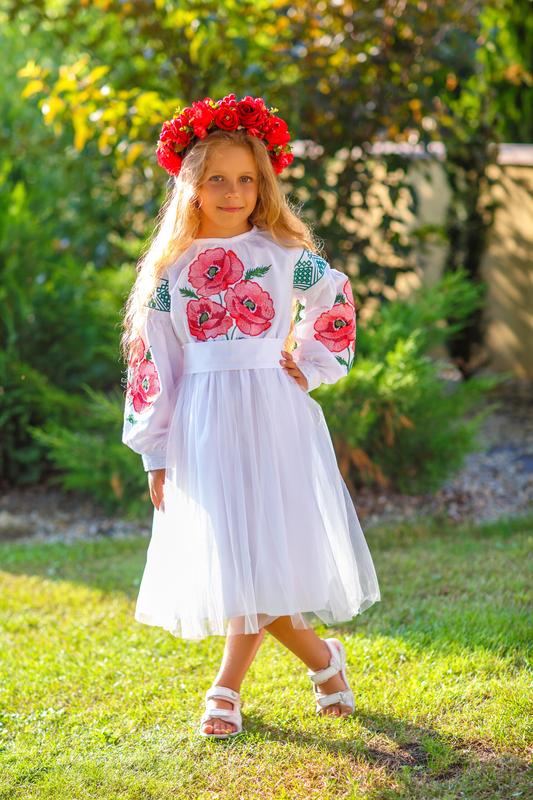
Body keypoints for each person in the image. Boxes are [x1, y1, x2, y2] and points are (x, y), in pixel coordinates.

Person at [120, 94, 380, 739]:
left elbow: (335, 297)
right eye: (217, 179)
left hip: (274, 413)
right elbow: (154, 360)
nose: (233, 192)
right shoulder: (171, 272)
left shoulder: (284, 253)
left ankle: (228, 687)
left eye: (246, 179)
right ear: (191, 186)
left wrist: (312, 365)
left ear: (262, 185)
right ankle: (322, 661)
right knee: (236, 552)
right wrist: (156, 450)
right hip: (203, 421)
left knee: (258, 551)